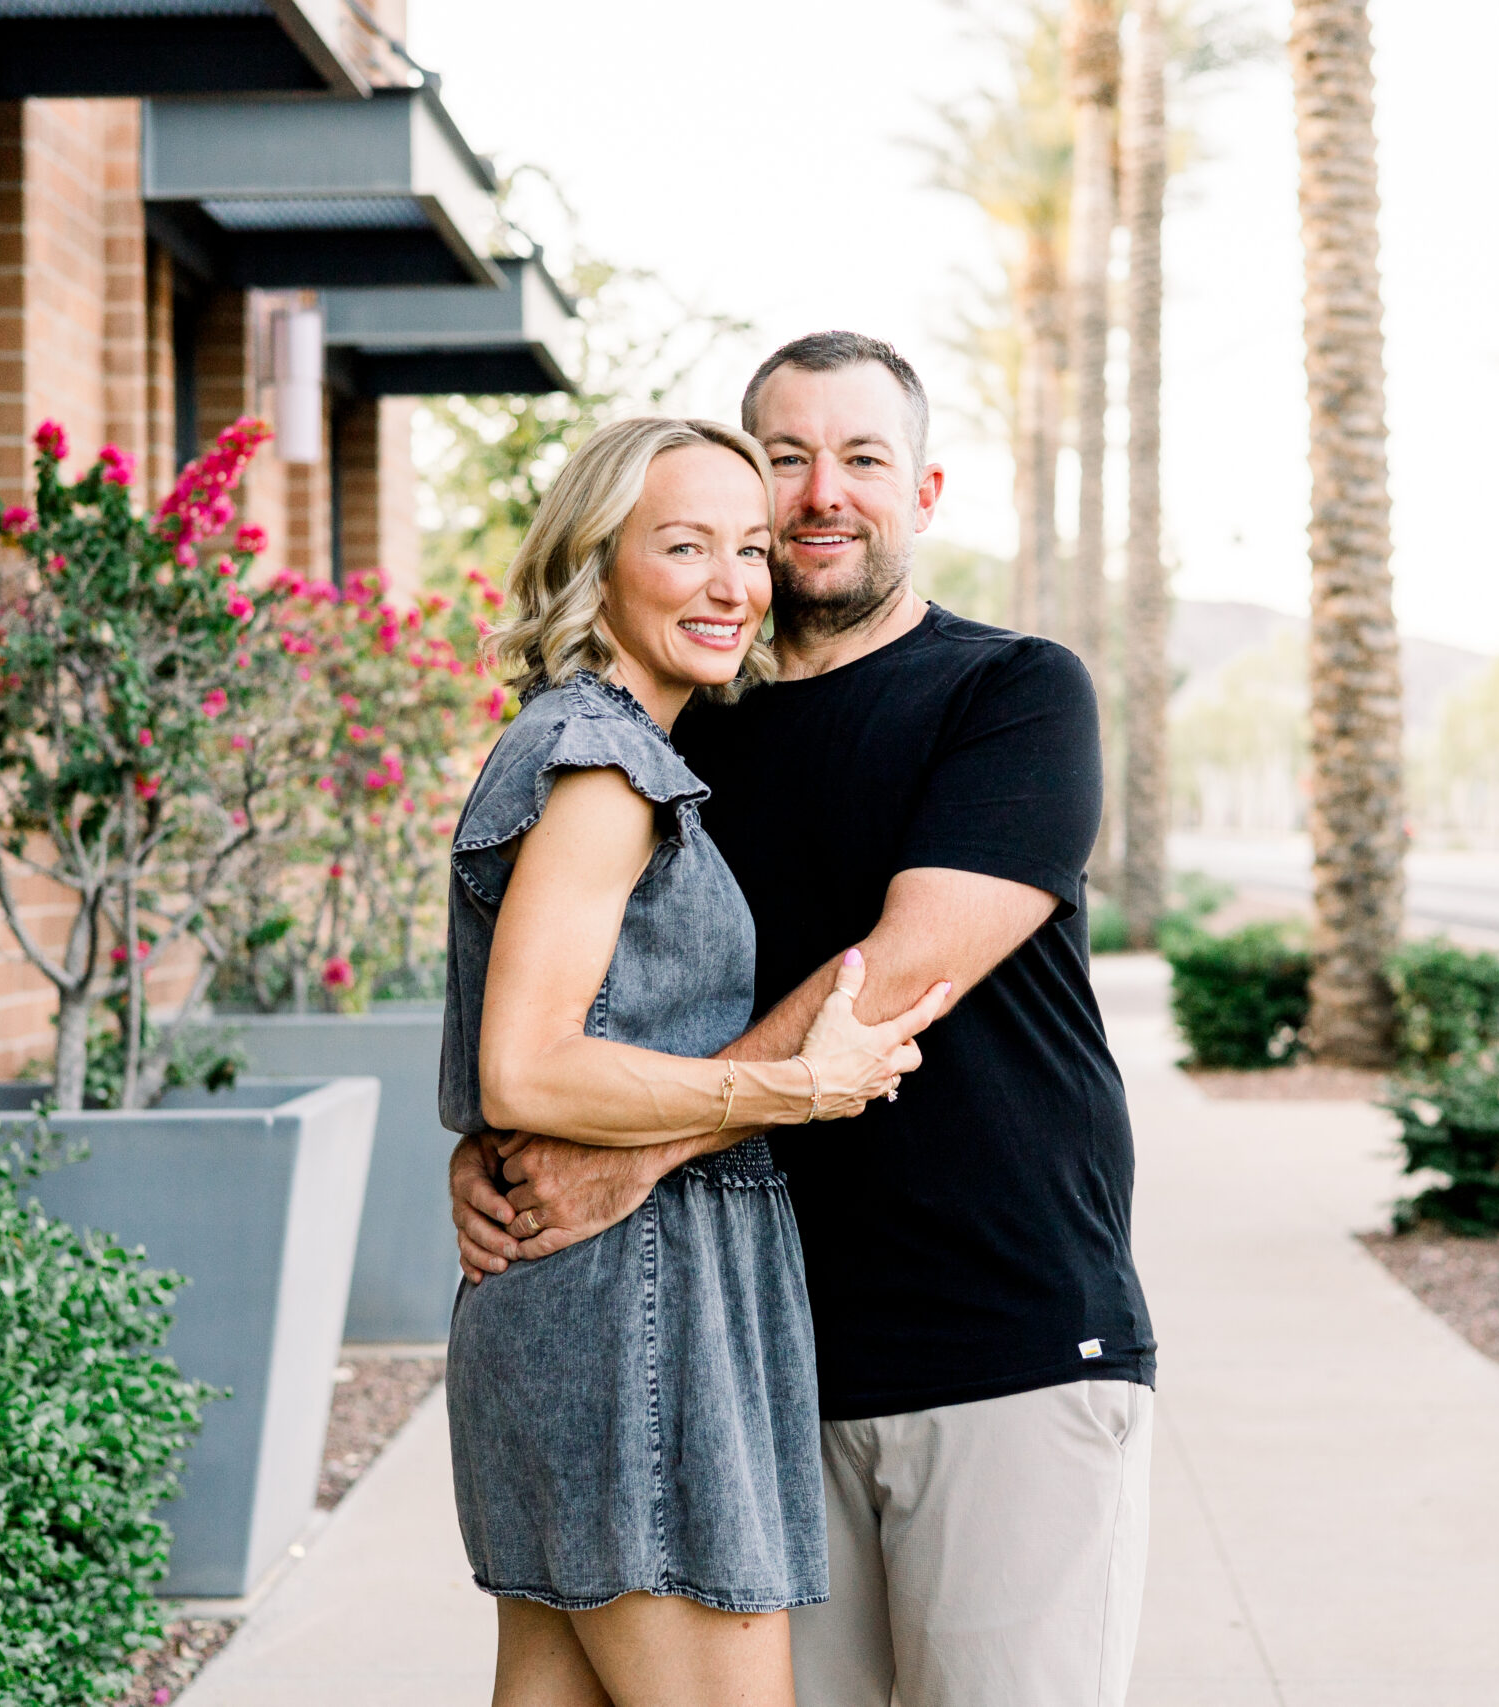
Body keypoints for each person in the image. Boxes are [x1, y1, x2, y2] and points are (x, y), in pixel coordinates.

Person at [452, 333, 1156, 1707]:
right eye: (786, 458)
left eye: (864, 458)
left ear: (926, 490)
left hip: (1000, 1347)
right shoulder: (670, 732)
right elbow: (576, 1006)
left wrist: (619, 1152)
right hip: (749, 1365)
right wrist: (504, 1146)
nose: (823, 491)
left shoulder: (1011, 693)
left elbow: (891, 979)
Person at [439, 413, 951, 1707]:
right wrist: (792, 1088)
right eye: (684, 547)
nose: (734, 585)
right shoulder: (604, 764)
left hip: (597, 1306)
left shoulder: (596, 745)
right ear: (596, 560)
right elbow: (528, 1066)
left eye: (750, 549)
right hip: (640, 1310)